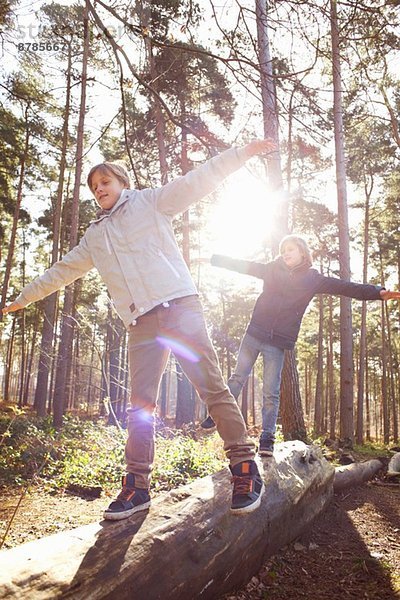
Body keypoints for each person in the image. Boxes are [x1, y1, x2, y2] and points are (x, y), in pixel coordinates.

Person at [1, 139, 276, 519]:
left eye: (105, 181)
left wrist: (242, 153)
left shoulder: (151, 202)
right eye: (93, 186)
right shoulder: (95, 237)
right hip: (141, 323)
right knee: (141, 406)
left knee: (212, 388)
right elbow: (61, 271)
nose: (99, 188)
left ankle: (245, 468)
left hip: (179, 307)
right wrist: (23, 298)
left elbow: (200, 180)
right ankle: (137, 486)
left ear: (122, 182)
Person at [201, 234, 400, 455]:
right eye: (283, 249)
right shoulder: (271, 269)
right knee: (238, 377)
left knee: (271, 392)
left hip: (277, 343)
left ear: (302, 253)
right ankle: (217, 414)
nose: (285, 253)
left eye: (290, 249)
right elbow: (244, 266)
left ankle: (267, 439)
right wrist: (214, 259)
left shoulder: (312, 279)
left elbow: (345, 287)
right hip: (254, 334)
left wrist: (377, 292)